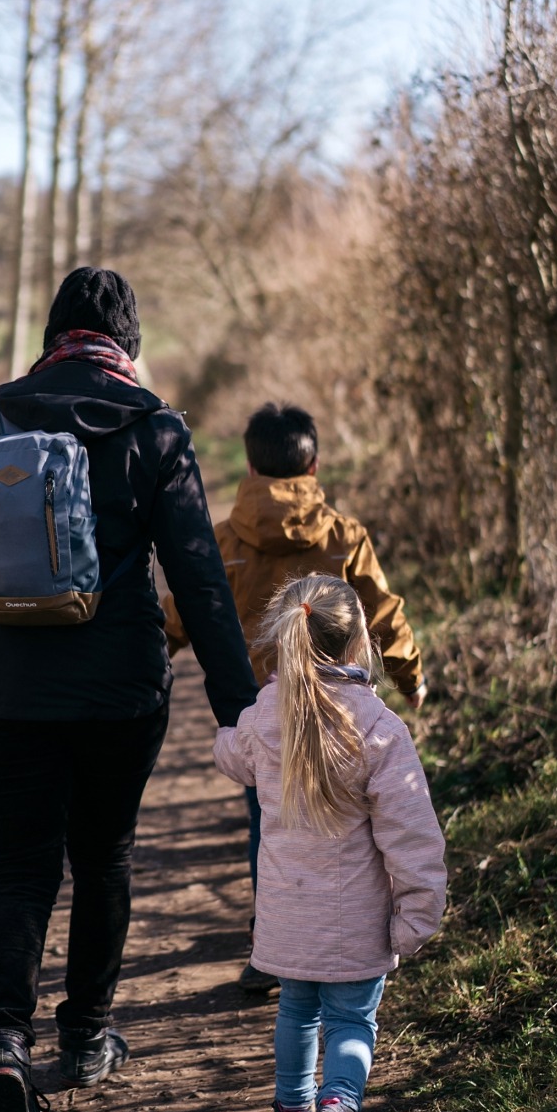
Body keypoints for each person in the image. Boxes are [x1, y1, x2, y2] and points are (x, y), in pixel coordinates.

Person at [0, 267, 258, 1112]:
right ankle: (86, 1036)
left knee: (22, 872)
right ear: (128, 342)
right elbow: (202, 581)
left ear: (52, 334)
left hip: (7, 695)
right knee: (104, 856)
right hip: (120, 693)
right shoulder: (153, 430)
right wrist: (240, 714)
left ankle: (3, 1044)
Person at [162, 402, 426, 995]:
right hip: (343, 712)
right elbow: (382, 613)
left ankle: (273, 945)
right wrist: (412, 678)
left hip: (262, 712)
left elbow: (179, 615)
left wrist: (140, 663)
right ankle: (339, 939)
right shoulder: (342, 538)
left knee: (272, 825)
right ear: (314, 465)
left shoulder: (224, 540)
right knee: (351, 828)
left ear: (251, 469)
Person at [211, 573, 447, 1112]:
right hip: (357, 923)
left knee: (296, 1012)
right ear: (357, 643)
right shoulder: (378, 728)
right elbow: (412, 835)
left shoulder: (266, 717)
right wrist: (417, 915)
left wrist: (230, 735)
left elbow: (230, 754)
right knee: (352, 1020)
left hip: (285, 919)